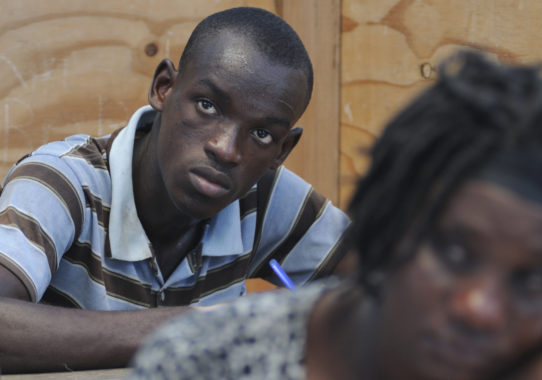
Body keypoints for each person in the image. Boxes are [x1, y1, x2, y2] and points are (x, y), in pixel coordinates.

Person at [130, 51, 542, 380]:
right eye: (454, 253)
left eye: (532, 282)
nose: (480, 309)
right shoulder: (207, 363)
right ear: (384, 227)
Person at [0, 7, 350, 373]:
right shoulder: (63, 182)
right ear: (163, 88)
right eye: (207, 105)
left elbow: (388, 291)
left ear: (281, 151)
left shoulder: (263, 197)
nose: (226, 149)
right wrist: (197, 328)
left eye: (261, 134)